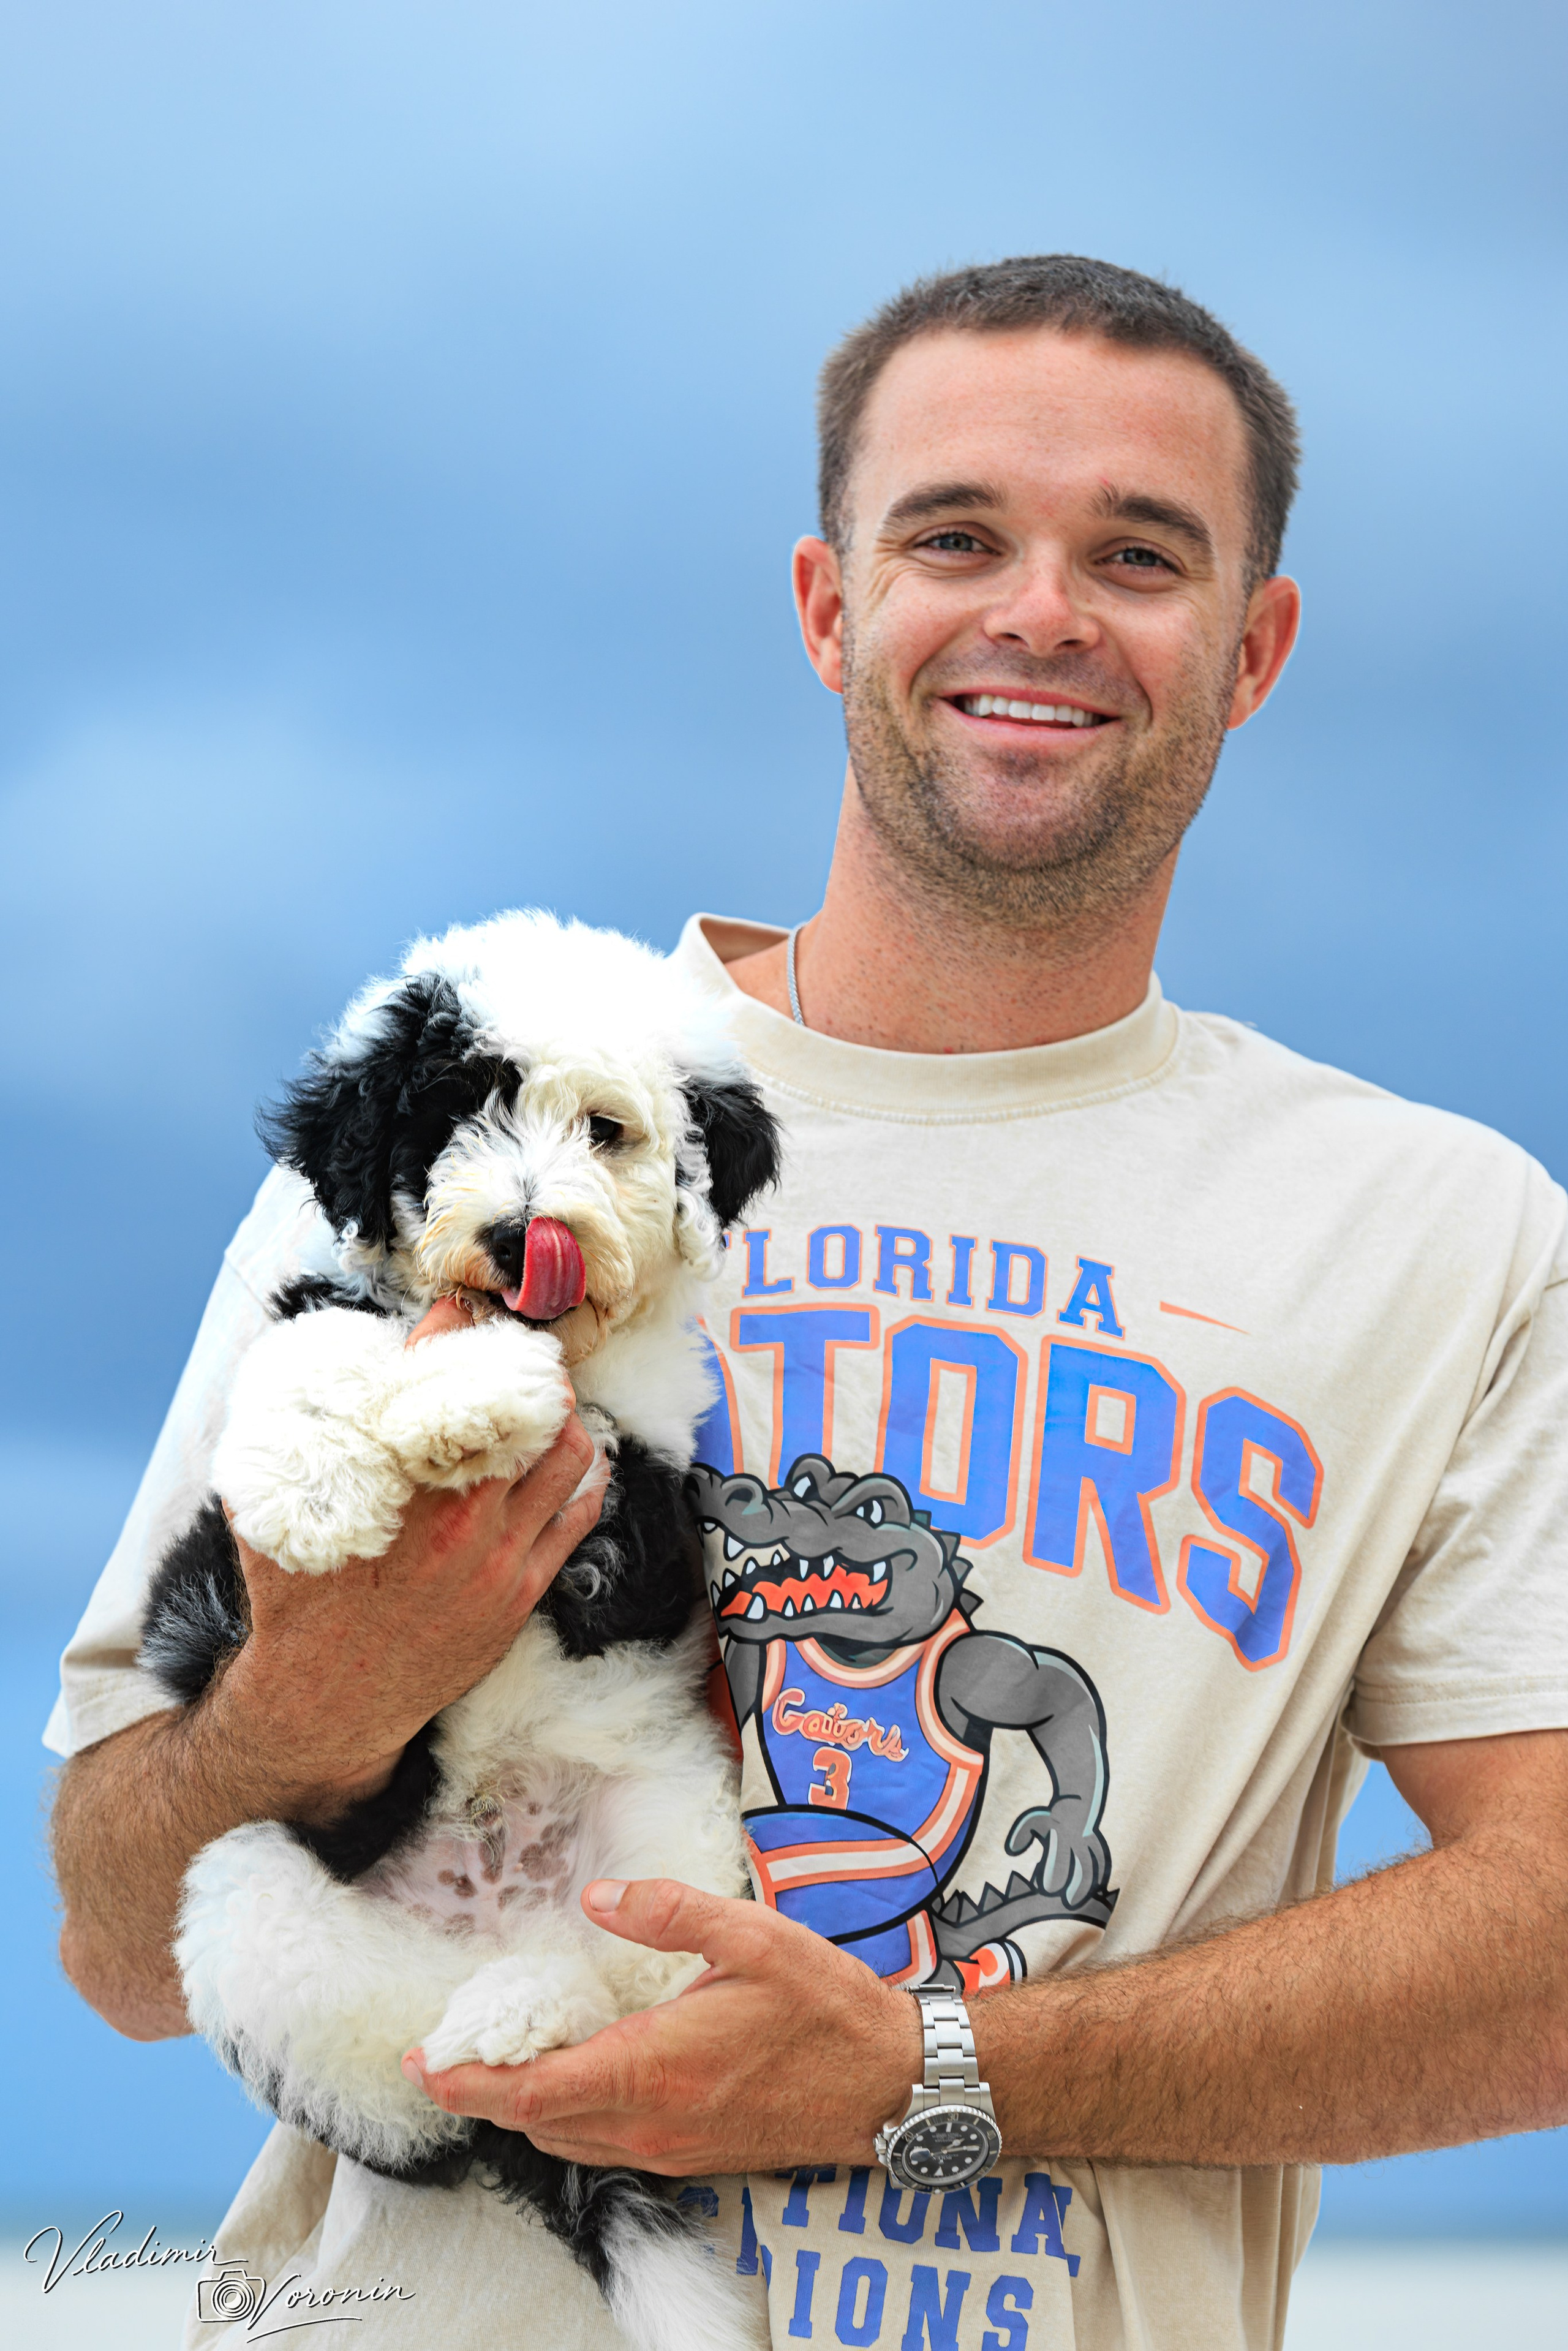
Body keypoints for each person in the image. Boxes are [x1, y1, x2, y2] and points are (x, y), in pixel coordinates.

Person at [48, 255, 1568, 2351]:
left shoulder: (1441, 1233)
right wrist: (312, 1700)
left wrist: (933, 2079)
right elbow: (126, 1946)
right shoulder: (488, 1113)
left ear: (1255, 648)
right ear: (829, 605)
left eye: (1140, 555)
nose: (1042, 612)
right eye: (956, 537)